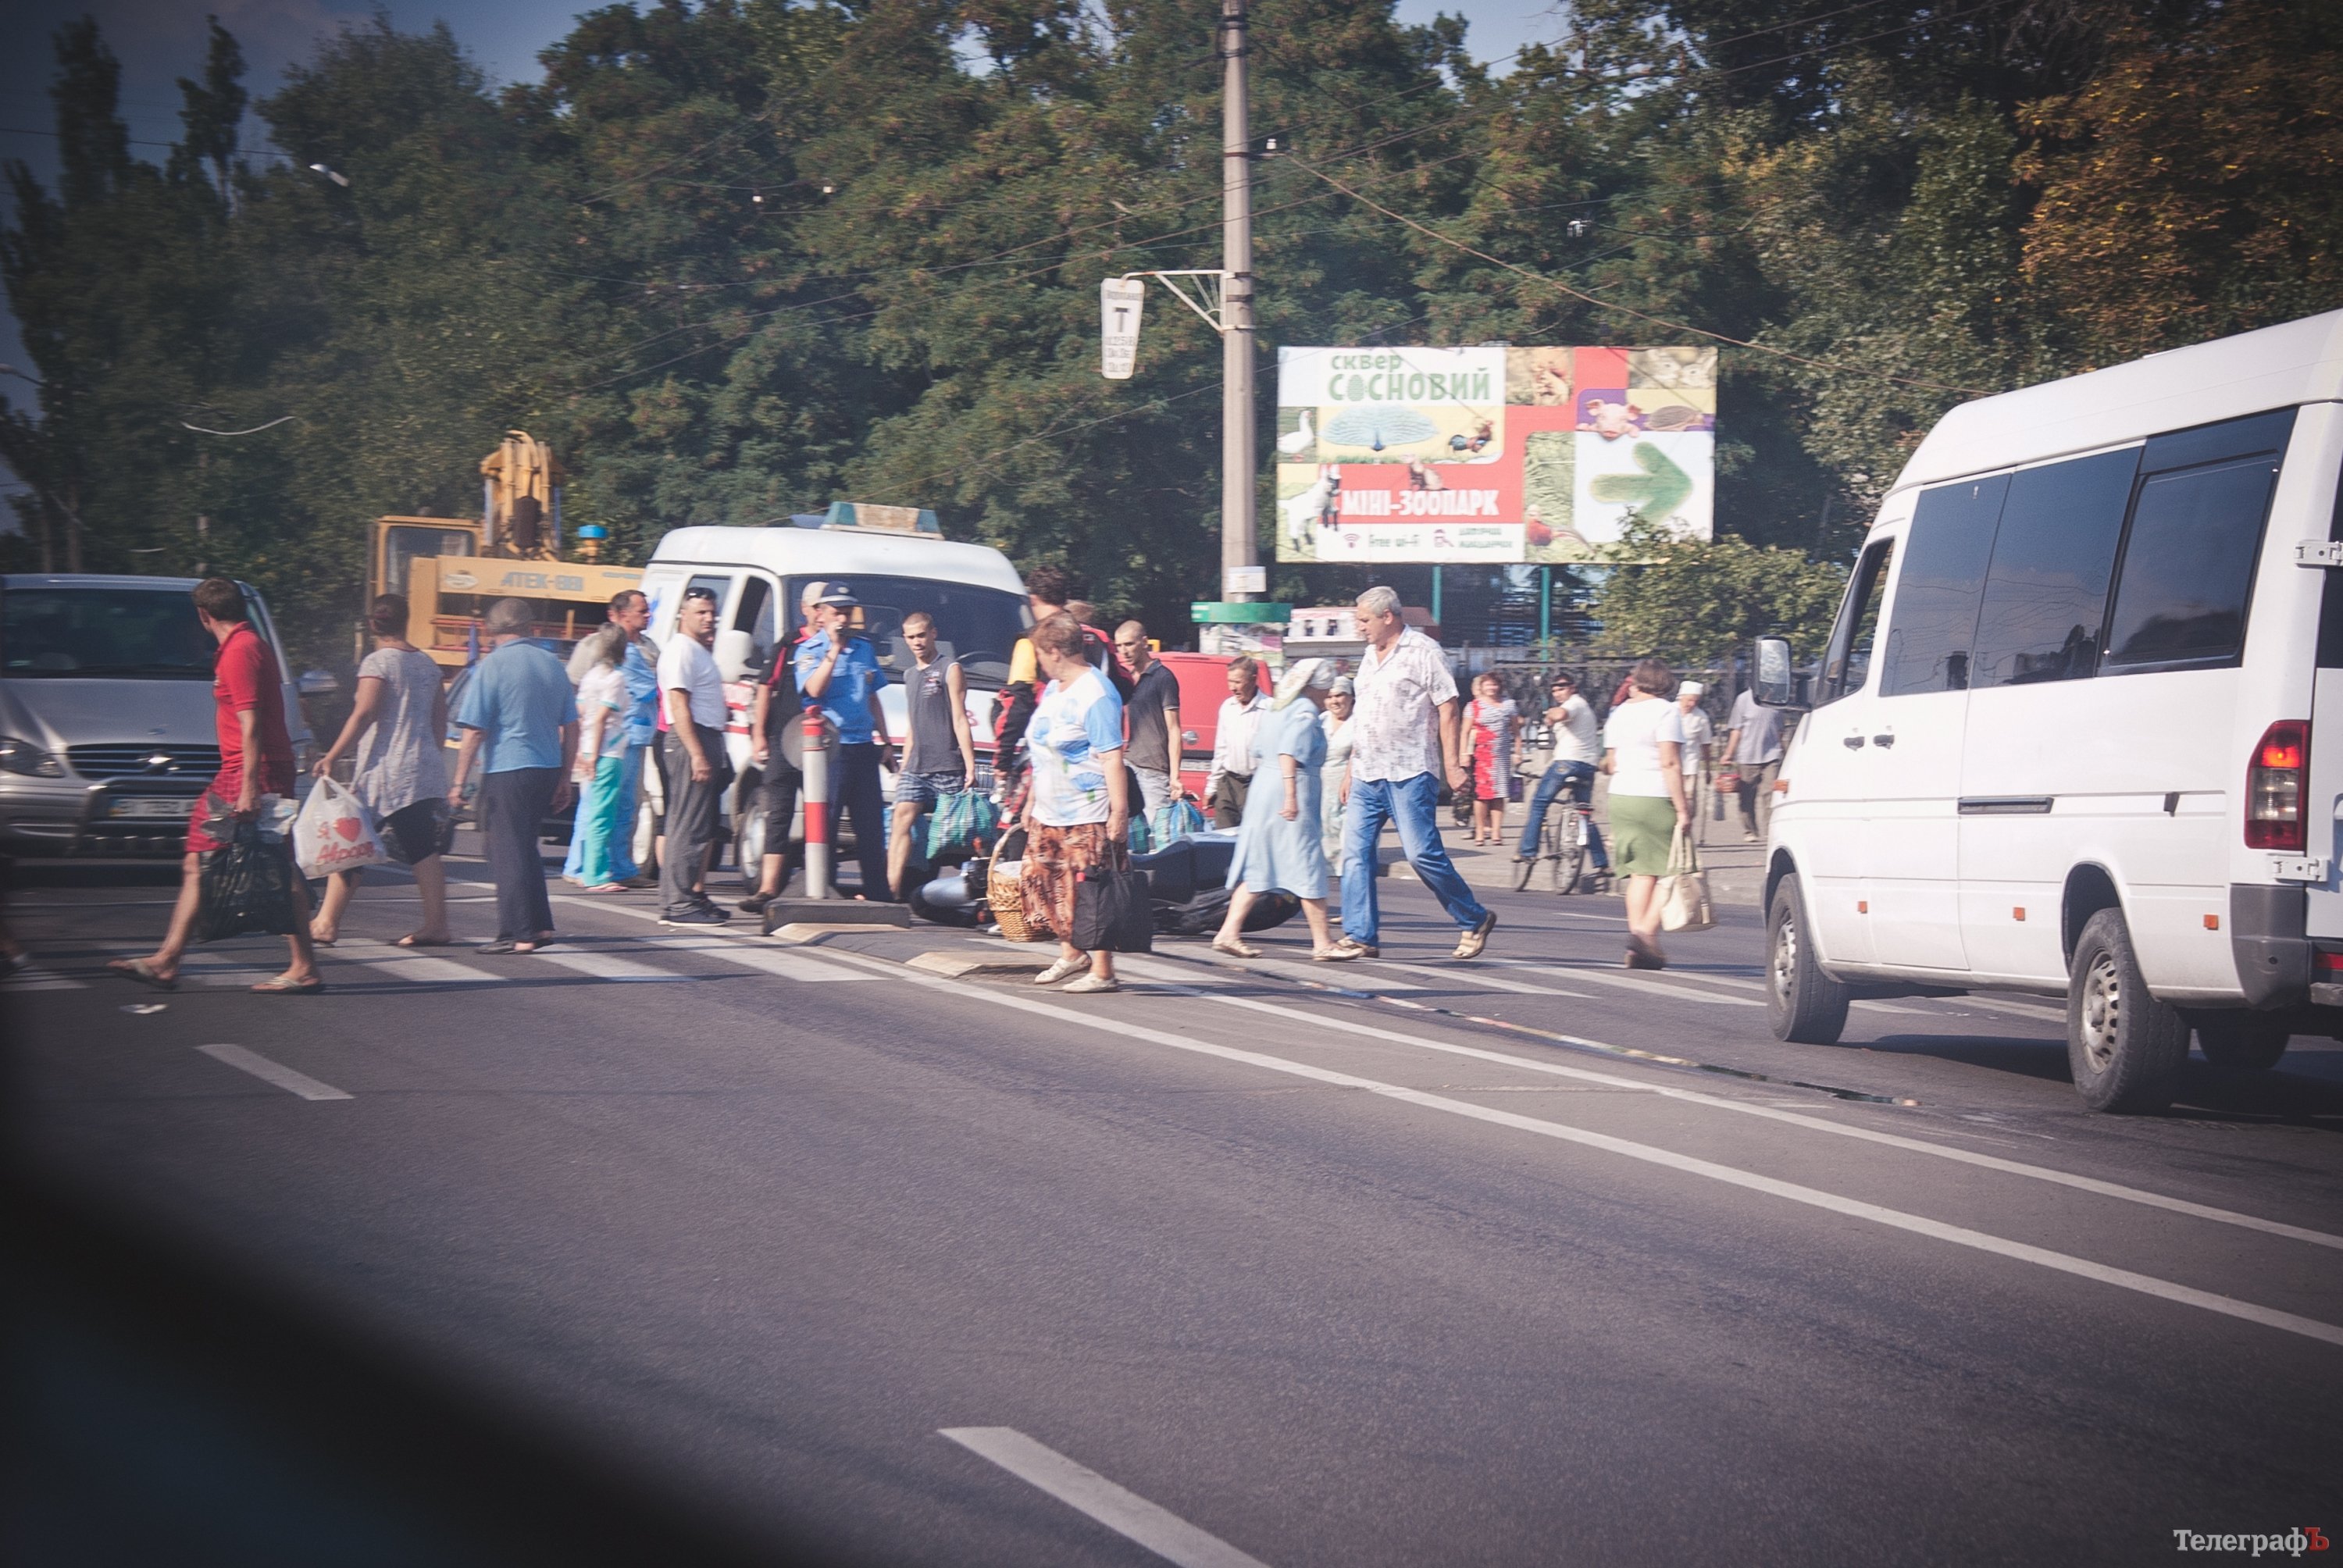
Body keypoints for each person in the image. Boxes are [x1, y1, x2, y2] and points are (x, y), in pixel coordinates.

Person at [109, 579, 324, 993]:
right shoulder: (247, 645)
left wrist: (248, 788)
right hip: (253, 768)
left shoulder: (240, 651)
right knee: (212, 858)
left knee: (270, 863)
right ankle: (169, 960)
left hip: (251, 770)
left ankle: (302, 966)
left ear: (204, 616)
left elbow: (251, 724)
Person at [1330, 586, 1496, 962]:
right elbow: (1366, 716)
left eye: (1364, 620)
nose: (1359, 627)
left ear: (1388, 617)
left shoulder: (1423, 651)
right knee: (1355, 855)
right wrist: (1351, 768)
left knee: (1421, 854)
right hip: (1367, 772)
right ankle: (1360, 935)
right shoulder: (1369, 656)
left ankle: (1474, 918)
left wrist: (1452, 766)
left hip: (1409, 771)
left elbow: (1448, 708)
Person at [307, 593, 451, 946]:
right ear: (406, 620)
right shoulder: (428, 665)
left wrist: (333, 755)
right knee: (422, 847)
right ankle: (437, 924)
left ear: (373, 624)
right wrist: (429, 756)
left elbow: (365, 714)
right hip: (421, 768)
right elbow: (440, 720)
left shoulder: (378, 662)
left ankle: (326, 922)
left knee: (351, 841)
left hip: (385, 771)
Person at [448, 598, 576, 953]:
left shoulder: (492, 665)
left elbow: (474, 730)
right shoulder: (552, 664)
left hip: (508, 767)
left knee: (505, 850)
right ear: (529, 627)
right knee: (526, 846)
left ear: (491, 631)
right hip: (546, 767)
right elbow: (571, 725)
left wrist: (458, 783)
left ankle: (517, 933)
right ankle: (540, 925)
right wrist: (565, 777)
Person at [1022, 613, 1132, 994]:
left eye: (1040, 653)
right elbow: (1042, 748)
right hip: (1048, 808)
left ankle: (1103, 970)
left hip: (1087, 810)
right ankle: (1071, 953)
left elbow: (1111, 756)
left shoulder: (1096, 693)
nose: (1038, 661)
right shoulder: (1054, 689)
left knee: (1088, 891)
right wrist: (1031, 798)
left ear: (1054, 651)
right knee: (1042, 880)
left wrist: (1119, 812)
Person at [1213, 659, 1339, 959]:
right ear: (1315, 687)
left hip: (1264, 789)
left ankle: (1228, 932)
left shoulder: (1278, 707)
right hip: (1290, 788)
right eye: (1327, 688)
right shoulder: (1305, 711)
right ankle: (1323, 943)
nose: (1328, 695)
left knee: (1262, 863)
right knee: (1308, 862)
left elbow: (1259, 748)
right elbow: (1288, 752)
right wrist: (1291, 796)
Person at [796, 584, 891, 899]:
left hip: (863, 746)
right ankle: (824, 888)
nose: (843, 619)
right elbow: (814, 690)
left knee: (871, 826)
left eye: (848, 613)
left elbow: (872, 697)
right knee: (827, 822)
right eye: (837, 613)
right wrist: (833, 651)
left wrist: (886, 741)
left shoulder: (863, 648)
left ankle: (878, 893)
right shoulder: (810, 651)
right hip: (831, 748)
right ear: (821, 614)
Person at [740, 580, 825, 915]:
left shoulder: (839, 645)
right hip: (785, 740)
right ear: (805, 609)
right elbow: (766, 687)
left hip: (824, 745)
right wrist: (759, 735)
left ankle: (820, 887)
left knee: (825, 816)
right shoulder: (789, 645)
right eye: (816, 607)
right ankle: (767, 888)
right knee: (778, 813)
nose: (822, 613)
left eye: (827, 607)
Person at [1603, 657, 1692, 969]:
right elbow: (1670, 762)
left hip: (1621, 795)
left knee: (1640, 873)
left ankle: (1638, 948)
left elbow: (1611, 763)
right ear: (1665, 682)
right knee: (1672, 870)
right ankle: (1645, 934)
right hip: (1654, 796)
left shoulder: (1619, 713)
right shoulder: (1666, 711)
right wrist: (1682, 808)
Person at [562, 590, 654, 886]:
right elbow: (574, 690)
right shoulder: (595, 646)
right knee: (597, 805)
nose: (648, 615)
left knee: (625, 805)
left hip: (632, 737)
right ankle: (582, 868)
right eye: (642, 611)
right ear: (623, 614)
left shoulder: (648, 647)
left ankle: (619, 867)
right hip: (607, 742)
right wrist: (578, 742)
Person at [657, 586, 735, 925]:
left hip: (706, 736)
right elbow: (678, 705)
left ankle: (688, 897)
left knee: (697, 825)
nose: (708, 618)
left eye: (711, 612)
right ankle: (679, 904)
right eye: (700, 612)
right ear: (683, 614)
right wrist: (697, 754)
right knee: (688, 826)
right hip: (692, 740)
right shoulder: (681, 650)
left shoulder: (697, 650)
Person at [889, 609, 978, 897]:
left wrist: (970, 766)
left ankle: (981, 889)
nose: (917, 642)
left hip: (947, 766)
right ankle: (890, 892)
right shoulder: (909, 675)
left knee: (963, 836)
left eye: (921, 635)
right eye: (910, 637)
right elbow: (913, 725)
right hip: (916, 767)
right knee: (901, 818)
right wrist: (903, 766)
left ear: (933, 634)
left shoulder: (950, 669)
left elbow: (960, 719)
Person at [1515, 671, 1610, 883]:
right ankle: (1602, 863)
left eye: (1562, 687)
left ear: (1572, 688)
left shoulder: (1575, 703)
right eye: (1555, 689)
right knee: (1584, 813)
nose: (1558, 692)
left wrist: (1550, 714)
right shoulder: (1583, 706)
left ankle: (1528, 851)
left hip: (1567, 763)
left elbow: (1560, 714)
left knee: (1539, 803)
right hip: (1588, 766)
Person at [568, 625, 636, 891]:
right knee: (603, 814)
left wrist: (582, 752)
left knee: (590, 811)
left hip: (588, 747)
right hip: (607, 751)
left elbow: (582, 713)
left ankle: (586, 869)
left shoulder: (590, 676)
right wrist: (595, 756)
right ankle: (596, 875)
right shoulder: (615, 678)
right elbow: (601, 719)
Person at [1114, 620, 1182, 820]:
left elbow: (1174, 729)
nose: (1124, 651)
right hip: (1129, 764)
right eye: (1119, 646)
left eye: (1129, 644)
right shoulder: (1125, 679)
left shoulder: (1163, 677)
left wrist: (1175, 776)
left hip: (1155, 771)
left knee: (1160, 833)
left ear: (1144, 642)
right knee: (1131, 834)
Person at [1204, 656, 1268, 829]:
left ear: (1253, 679)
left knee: (1252, 835)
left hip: (1256, 785)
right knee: (1223, 836)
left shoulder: (1269, 709)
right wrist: (1211, 787)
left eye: (1238, 682)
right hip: (1228, 784)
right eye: (1230, 682)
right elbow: (1221, 750)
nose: (1232, 687)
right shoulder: (1228, 707)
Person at [1721, 683, 1787, 843]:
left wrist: (1784, 752)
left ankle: (1771, 830)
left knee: (1770, 794)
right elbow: (1736, 730)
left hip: (1771, 755)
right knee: (1747, 797)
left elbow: (1779, 730)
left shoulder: (1778, 701)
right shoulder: (1743, 699)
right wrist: (1729, 753)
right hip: (1748, 756)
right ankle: (1750, 830)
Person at [1464, 671, 1519, 846]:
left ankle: (1496, 831)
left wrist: (1518, 752)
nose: (1491, 688)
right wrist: (1463, 754)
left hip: (1501, 755)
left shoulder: (1509, 705)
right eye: (1488, 684)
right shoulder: (1473, 706)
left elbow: (1516, 732)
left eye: (1494, 684)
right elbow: (1464, 732)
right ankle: (1480, 831)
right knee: (1481, 795)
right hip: (1481, 756)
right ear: (1482, 687)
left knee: (1499, 794)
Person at [1319, 675, 1355, 866]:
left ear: (1350, 697)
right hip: (1323, 787)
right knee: (1326, 830)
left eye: (1339, 695)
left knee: (1349, 833)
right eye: (1330, 696)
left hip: (1349, 786)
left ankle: (1350, 870)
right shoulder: (1320, 721)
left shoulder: (1358, 722)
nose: (1334, 701)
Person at [1676, 680, 1716, 836]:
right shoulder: (1670, 711)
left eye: (1695, 701)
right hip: (1671, 763)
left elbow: (1706, 744)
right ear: (1681, 697)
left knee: (1689, 799)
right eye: (1689, 700)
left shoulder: (1701, 717)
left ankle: (1686, 829)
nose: (1692, 704)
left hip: (1690, 765)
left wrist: (1708, 770)